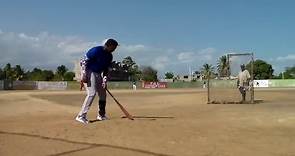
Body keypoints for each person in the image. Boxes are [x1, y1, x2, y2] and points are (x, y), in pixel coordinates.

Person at [76, 38, 119, 124]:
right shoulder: (96, 50)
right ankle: (81, 116)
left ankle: (101, 115)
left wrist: (104, 80)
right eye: (114, 47)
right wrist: (84, 74)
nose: (114, 49)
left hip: (98, 73)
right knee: (92, 93)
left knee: (103, 94)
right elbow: (84, 61)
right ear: (109, 46)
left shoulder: (109, 56)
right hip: (89, 71)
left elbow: (106, 69)